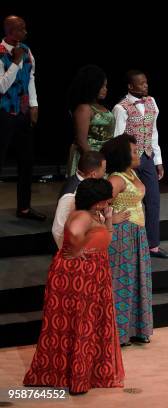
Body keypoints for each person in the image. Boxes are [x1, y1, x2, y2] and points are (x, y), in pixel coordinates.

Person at [23, 178, 125, 395]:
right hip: (78, 275)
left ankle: (84, 374)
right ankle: (75, 379)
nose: (110, 202)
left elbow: (107, 238)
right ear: (98, 202)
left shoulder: (96, 214)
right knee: (79, 323)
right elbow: (75, 231)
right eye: (107, 200)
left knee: (86, 322)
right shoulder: (82, 216)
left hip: (92, 274)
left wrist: (107, 220)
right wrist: (80, 250)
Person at [113, 70, 168, 259]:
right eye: (141, 83)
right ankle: (127, 245)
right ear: (130, 86)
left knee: (153, 200)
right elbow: (117, 138)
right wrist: (120, 166)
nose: (145, 86)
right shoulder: (121, 108)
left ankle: (152, 246)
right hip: (128, 162)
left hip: (146, 158)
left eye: (146, 82)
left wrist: (158, 161)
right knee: (130, 203)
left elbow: (153, 133)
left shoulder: (151, 102)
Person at [101, 134, 153, 346]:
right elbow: (97, 205)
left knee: (137, 278)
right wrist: (111, 219)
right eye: (133, 151)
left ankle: (135, 329)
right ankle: (118, 332)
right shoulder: (116, 179)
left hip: (138, 234)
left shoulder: (131, 173)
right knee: (121, 281)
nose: (137, 153)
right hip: (122, 235)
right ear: (123, 156)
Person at [0, 15, 45, 221]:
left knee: (26, 161)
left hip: (23, 113)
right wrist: (15, 61)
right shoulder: (1, 53)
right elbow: (2, 86)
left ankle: (24, 208)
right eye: (21, 29)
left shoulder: (27, 50)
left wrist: (34, 105)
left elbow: (31, 77)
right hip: (4, 113)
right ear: (10, 31)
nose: (25, 33)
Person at [66, 65, 115, 176]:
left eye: (106, 86)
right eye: (102, 86)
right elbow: (81, 141)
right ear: (92, 86)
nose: (105, 89)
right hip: (90, 159)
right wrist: (96, 162)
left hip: (104, 156)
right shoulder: (84, 108)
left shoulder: (101, 107)